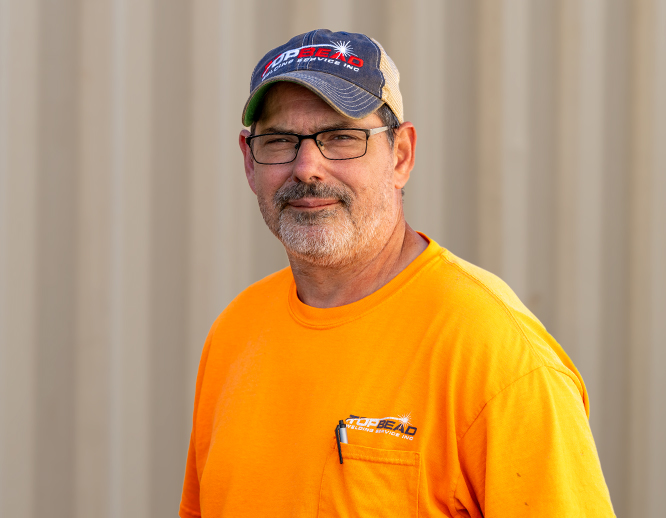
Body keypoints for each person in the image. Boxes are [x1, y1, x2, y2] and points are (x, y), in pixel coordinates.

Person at [179, 29, 615, 517]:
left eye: (341, 137)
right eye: (281, 140)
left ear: (401, 155)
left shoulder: (495, 353)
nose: (307, 167)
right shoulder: (235, 335)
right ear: (248, 159)